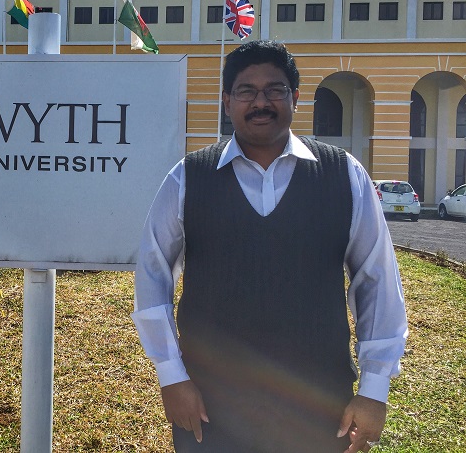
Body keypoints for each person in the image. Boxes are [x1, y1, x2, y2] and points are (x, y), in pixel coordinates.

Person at [132, 40, 408, 453]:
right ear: (227, 101)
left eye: (274, 90)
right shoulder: (188, 178)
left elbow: (377, 281)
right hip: (212, 404)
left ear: (295, 98)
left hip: (318, 404)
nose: (260, 102)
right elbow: (152, 278)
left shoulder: (343, 174)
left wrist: (373, 389)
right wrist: (172, 376)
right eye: (246, 91)